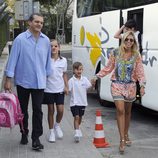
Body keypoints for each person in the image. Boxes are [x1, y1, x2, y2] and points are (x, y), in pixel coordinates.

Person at [92, 31, 146, 154]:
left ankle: (126, 134)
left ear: (134, 42)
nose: (128, 42)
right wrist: (97, 76)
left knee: (127, 112)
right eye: (127, 39)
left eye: (131, 40)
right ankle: (121, 139)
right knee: (120, 110)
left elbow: (140, 72)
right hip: (116, 85)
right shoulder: (115, 52)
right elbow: (108, 67)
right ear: (123, 40)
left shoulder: (136, 55)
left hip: (131, 87)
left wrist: (142, 85)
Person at [4, 13, 52, 150]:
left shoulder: (46, 40)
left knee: (38, 110)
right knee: (23, 110)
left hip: (39, 82)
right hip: (23, 81)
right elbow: (12, 60)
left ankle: (36, 138)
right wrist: (8, 80)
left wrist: (48, 76)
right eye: (37, 22)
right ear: (29, 23)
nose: (39, 25)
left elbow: (48, 61)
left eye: (41, 23)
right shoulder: (20, 39)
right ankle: (24, 132)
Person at [43, 39, 69, 143]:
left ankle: (57, 125)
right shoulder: (46, 60)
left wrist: (66, 86)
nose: (53, 48)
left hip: (59, 89)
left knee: (61, 110)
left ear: (59, 48)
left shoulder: (64, 60)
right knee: (50, 110)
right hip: (48, 89)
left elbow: (64, 74)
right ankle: (51, 132)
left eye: (55, 46)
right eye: (51, 46)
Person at [68, 62, 92, 143]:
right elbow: (68, 90)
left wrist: (93, 82)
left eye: (81, 69)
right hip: (74, 103)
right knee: (76, 117)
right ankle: (77, 132)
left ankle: (77, 129)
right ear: (74, 70)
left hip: (82, 102)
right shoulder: (71, 80)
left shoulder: (84, 79)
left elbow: (89, 87)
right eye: (78, 69)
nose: (79, 71)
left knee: (80, 117)